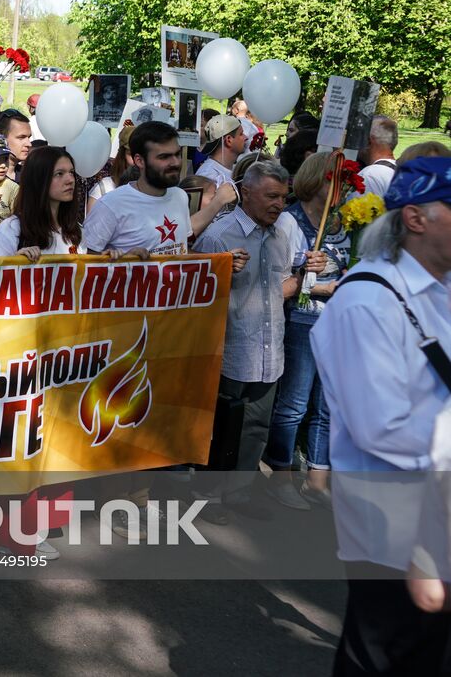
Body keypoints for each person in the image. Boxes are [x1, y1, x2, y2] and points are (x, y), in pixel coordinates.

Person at [311, 157, 451, 675]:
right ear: (416, 219)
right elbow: (381, 426)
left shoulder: (440, 287)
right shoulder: (368, 301)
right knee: (386, 654)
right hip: (394, 524)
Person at [192, 162, 303, 518]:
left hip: (269, 350)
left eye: (284, 197)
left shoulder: (281, 234)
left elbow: (281, 285)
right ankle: (208, 497)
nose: (279, 204)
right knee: (222, 427)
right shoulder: (219, 236)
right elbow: (196, 295)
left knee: (256, 427)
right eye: (272, 196)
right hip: (232, 350)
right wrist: (220, 271)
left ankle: (238, 493)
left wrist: (305, 277)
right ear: (248, 193)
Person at [264, 153, 351, 512]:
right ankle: (280, 472)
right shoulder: (290, 220)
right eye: (339, 180)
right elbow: (275, 280)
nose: (345, 187)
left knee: (328, 402)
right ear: (319, 181)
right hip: (303, 318)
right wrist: (319, 287)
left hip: (338, 321)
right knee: (294, 404)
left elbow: (348, 261)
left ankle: (317, 478)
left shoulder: (342, 221)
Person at [84, 121, 200, 258]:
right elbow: (85, 261)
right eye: (164, 157)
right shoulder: (110, 205)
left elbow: (181, 250)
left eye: (177, 154)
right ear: (139, 161)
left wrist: (225, 260)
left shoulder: (180, 196)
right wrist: (124, 259)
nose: (175, 162)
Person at [0, 145, 86, 259]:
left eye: (71, 172)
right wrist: (15, 262)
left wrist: (106, 262)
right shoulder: (11, 229)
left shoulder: (76, 230)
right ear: (38, 179)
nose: (70, 180)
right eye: (59, 173)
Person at [196, 114, 247, 189]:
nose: (246, 137)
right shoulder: (209, 176)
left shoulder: (230, 168)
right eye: (241, 134)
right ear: (229, 140)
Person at [358, 115, 399, 198]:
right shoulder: (401, 171)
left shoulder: (369, 176)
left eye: (358, 137)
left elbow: (355, 210)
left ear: (369, 142)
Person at [0, 108, 33, 179]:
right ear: (0, 138)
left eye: (29, 137)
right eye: (21, 137)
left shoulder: (31, 177)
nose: (29, 144)